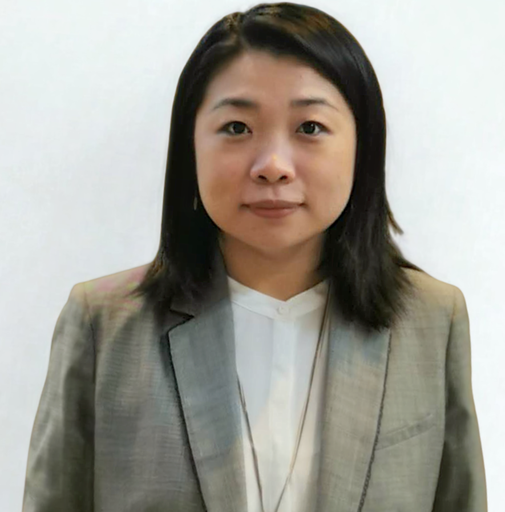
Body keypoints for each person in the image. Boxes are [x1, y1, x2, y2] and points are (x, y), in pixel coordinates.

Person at [22, 2, 487, 511]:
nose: (273, 166)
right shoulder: (103, 324)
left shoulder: (431, 319)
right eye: (237, 128)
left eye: (310, 127)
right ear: (190, 147)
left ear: (363, 144)